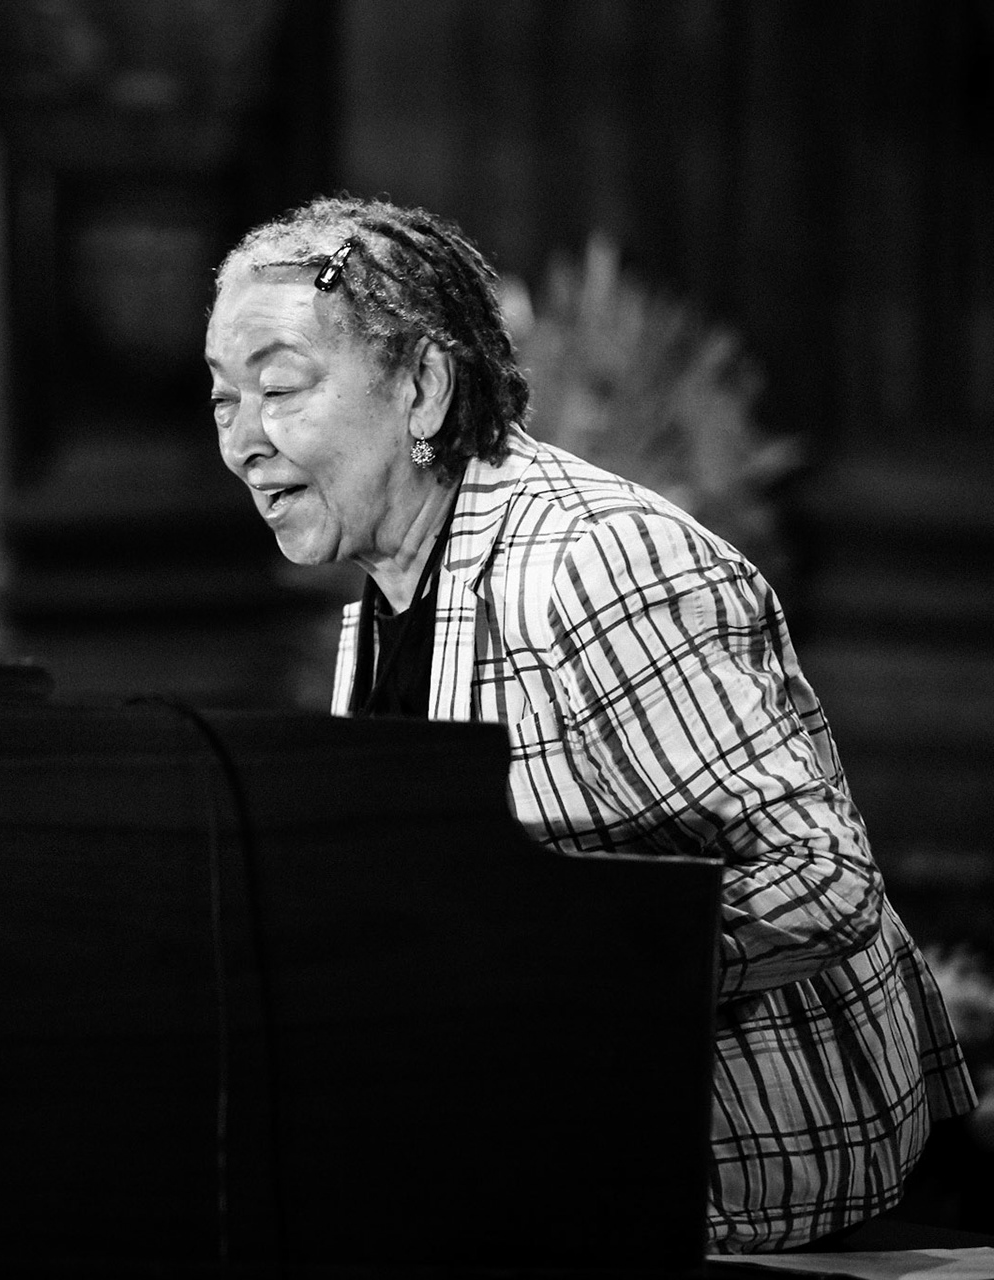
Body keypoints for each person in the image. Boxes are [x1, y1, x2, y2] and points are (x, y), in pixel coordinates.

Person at [204, 194, 976, 1252]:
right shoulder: (381, 596)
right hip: (563, 1157)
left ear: (423, 387)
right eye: (221, 401)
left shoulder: (593, 560)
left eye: (281, 388)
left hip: (770, 1182)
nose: (244, 442)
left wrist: (552, 978)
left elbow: (825, 879)